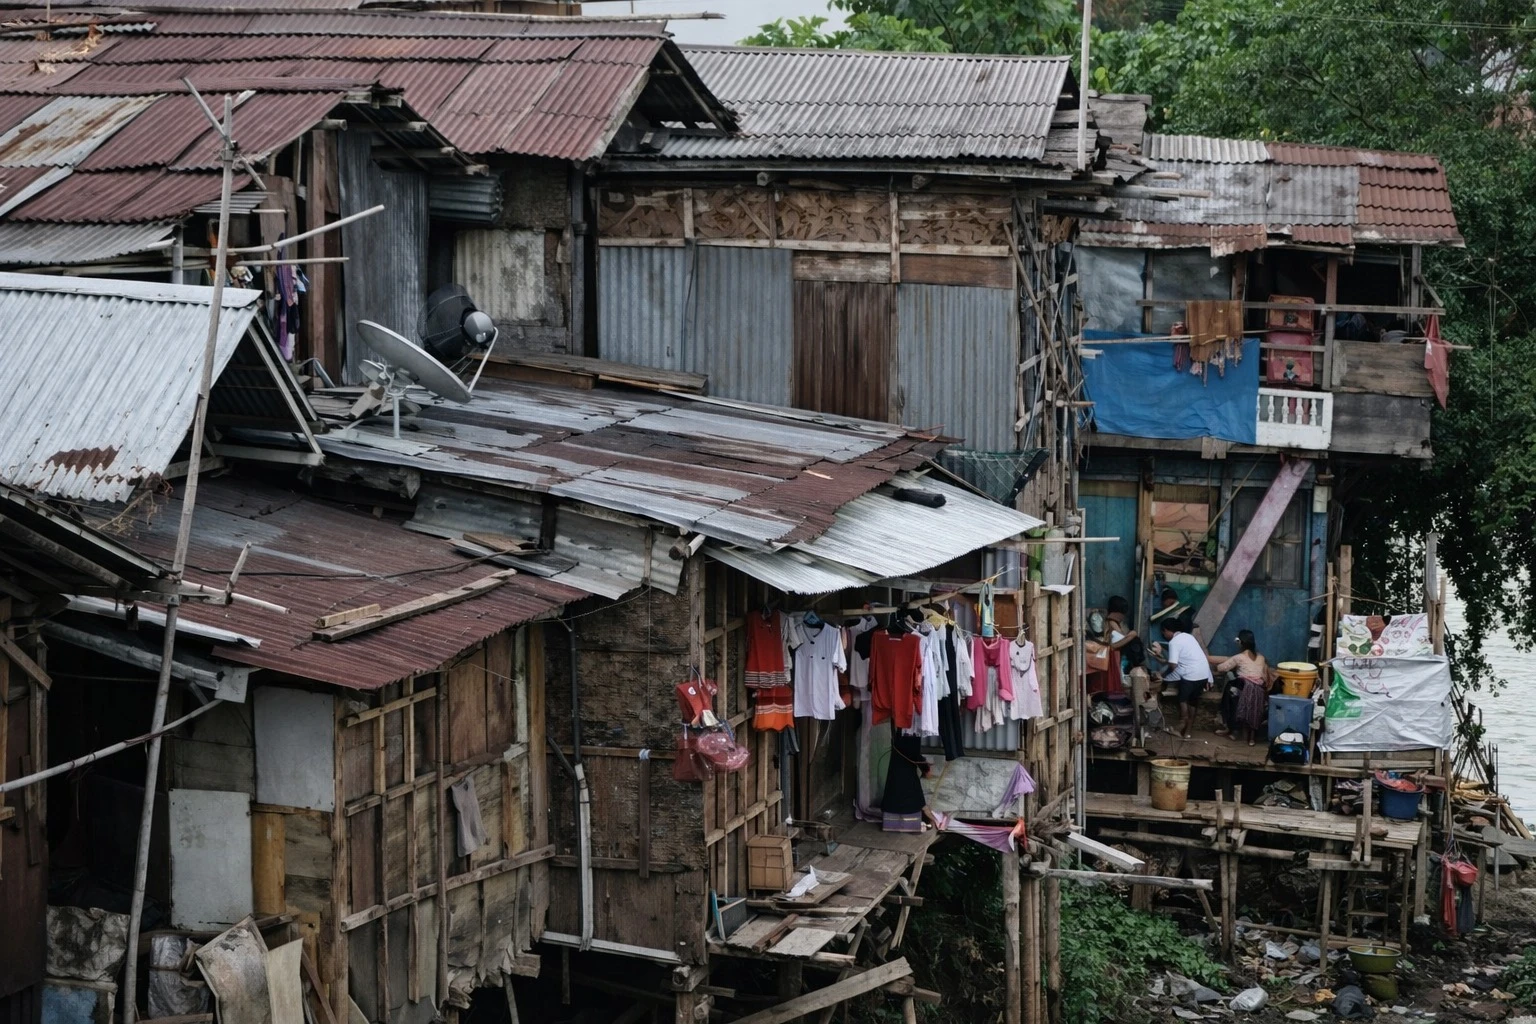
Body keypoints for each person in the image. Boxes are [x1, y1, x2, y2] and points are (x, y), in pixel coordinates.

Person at [1208, 629, 1270, 746]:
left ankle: (1229, 727)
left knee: (1229, 690)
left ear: (1240, 643)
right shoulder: (1261, 657)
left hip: (1245, 689)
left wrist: (1225, 663)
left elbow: (1221, 668)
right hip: (1259, 691)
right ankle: (1247, 736)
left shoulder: (1239, 657)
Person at [1154, 617, 1212, 739]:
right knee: (1193, 702)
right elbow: (1186, 659)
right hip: (1203, 675)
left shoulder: (1174, 642)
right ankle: (1188, 732)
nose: (1163, 635)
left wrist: (1164, 678)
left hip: (1190, 676)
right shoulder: (1188, 637)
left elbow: (1175, 666)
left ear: (1167, 630)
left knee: (1182, 700)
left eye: (1163, 632)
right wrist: (1164, 660)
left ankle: (1181, 724)